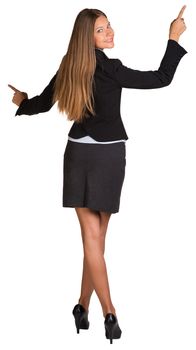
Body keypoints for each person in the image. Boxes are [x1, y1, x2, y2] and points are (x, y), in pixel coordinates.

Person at [8, 6, 187, 344]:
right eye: (102, 30)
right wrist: (173, 38)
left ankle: (81, 306)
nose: (111, 32)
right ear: (87, 37)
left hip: (77, 154)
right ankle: (111, 313)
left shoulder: (70, 64)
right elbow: (161, 78)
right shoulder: (111, 69)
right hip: (108, 156)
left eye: (109, 26)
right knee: (96, 240)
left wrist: (21, 100)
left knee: (94, 242)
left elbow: (43, 103)